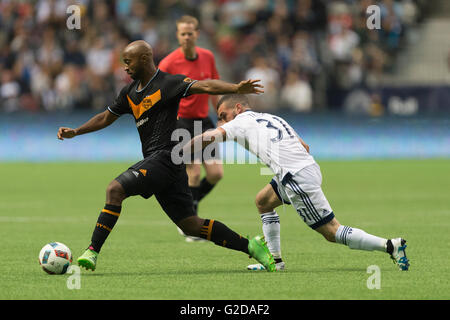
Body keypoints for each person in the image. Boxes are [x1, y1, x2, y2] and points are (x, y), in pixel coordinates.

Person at [56, 40, 276, 272]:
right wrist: (77, 131)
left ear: (143, 59)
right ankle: (252, 246)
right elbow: (105, 117)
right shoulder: (129, 92)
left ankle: (92, 251)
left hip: (166, 157)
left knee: (115, 189)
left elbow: (206, 86)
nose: (125, 67)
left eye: (128, 62)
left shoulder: (169, 83)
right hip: (167, 165)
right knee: (190, 225)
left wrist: (236, 89)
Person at [184, 94, 410, 271]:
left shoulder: (239, 122)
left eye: (223, 115)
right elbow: (304, 145)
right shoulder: (272, 118)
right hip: (302, 170)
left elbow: (208, 137)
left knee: (332, 232)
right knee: (263, 201)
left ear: (239, 109)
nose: (221, 120)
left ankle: (390, 245)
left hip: (296, 177)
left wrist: (180, 150)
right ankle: (275, 261)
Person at [158, 16, 223, 243]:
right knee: (193, 173)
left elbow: (214, 87)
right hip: (182, 122)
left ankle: (187, 213)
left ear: (197, 34)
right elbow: (159, 96)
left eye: (190, 33)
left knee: (215, 174)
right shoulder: (168, 63)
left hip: (204, 121)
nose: (187, 37)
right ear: (178, 36)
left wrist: (222, 115)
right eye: (183, 34)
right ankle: (191, 223)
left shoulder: (208, 57)